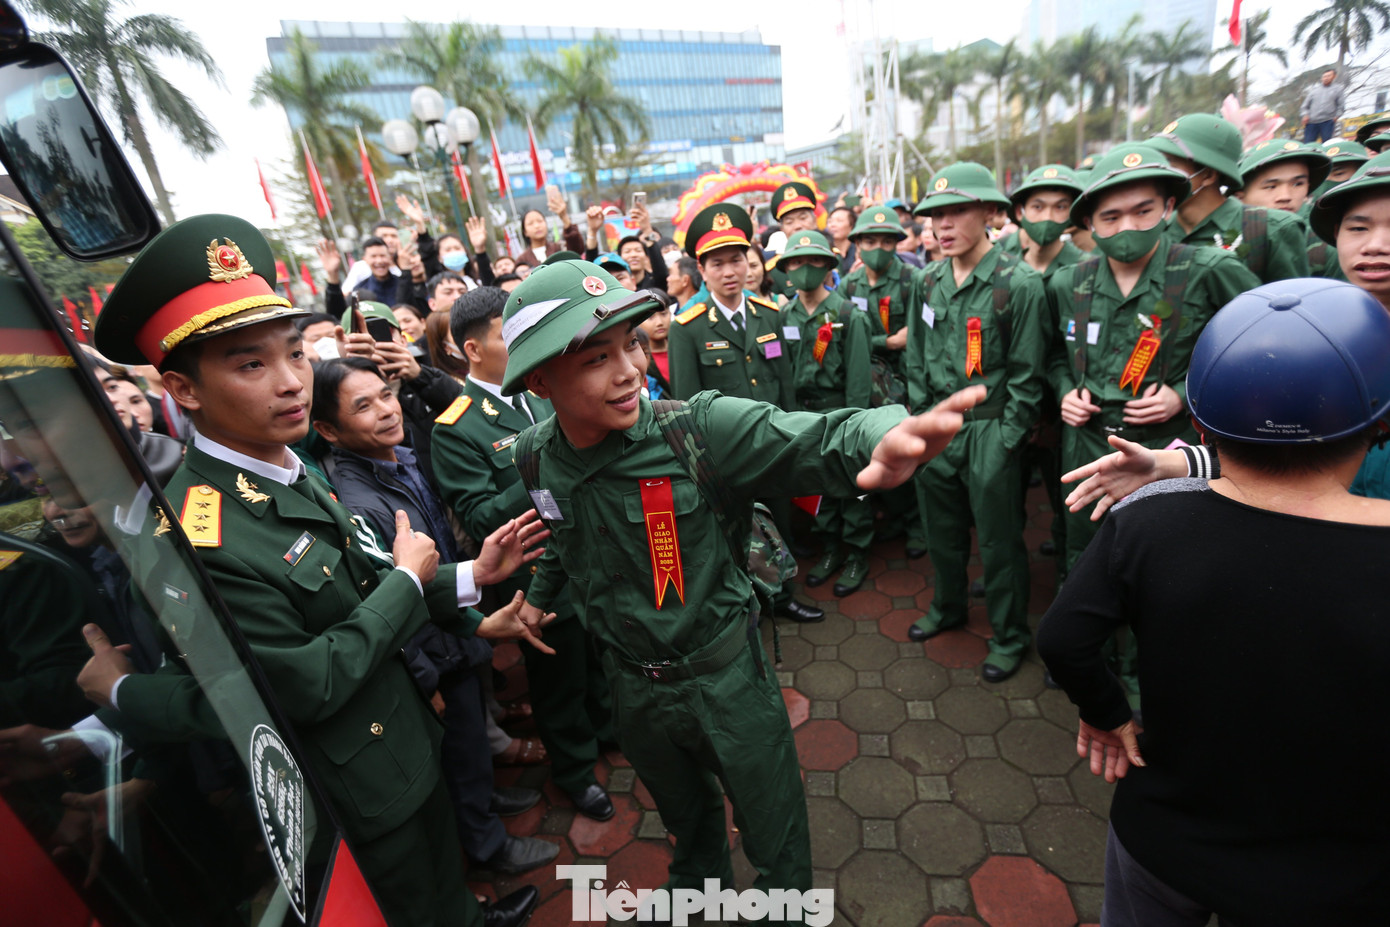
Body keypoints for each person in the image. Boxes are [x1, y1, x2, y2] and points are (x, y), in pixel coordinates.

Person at [90, 214, 547, 927]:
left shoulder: (288, 464)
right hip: (356, 780)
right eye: (250, 364)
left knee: (445, 892)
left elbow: (365, 576)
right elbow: (301, 683)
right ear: (181, 388)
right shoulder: (197, 529)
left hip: (405, 740)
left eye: (295, 353)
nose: (290, 382)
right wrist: (404, 581)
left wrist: (468, 579)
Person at [497, 255, 989, 904]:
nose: (630, 371)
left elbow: (813, 436)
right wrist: (534, 600)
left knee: (773, 827)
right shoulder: (534, 456)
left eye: (634, 343)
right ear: (539, 381)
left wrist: (883, 434)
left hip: (727, 681)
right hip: (633, 689)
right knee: (685, 818)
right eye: (596, 359)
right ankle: (697, 889)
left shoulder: (693, 430)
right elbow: (564, 533)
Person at [1037, 278, 1390, 926]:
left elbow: (1062, 638)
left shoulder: (1146, 522)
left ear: (1199, 419)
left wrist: (1108, 713)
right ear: (1381, 419)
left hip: (1164, 836)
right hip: (1336, 877)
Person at [310, 356, 557, 875]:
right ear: (328, 430)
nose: (385, 410)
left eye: (384, 394)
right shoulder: (361, 502)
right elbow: (394, 597)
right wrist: (426, 680)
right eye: (363, 406)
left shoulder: (398, 461)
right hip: (433, 653)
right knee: (461, 759)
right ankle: (489, 851)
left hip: (452, 633)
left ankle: (485, 811)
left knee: (472, 755)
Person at [432, 286, 618, 823]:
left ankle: (608, 733)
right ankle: (576, 772)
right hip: (535, 574)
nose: (522, 341)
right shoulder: (458, 427)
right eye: (504, 333)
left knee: (599, 658)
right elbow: (485, 516)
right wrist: (543, 462)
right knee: (558, 681)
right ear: (472, 350)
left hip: (591, 553)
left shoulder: (542, 393)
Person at [904, 162, 1048, 683]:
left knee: (999, 541)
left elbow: (1029, 374)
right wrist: (922, 421)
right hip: (937, 427)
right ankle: (948, 607)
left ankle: (1010, 635)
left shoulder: (1019, 284)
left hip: (991, 428)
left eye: (956, 212)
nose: (943, 226)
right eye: (935, 216)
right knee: (940, 531)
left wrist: (1008, 438)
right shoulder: (926, 280)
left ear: (989, 212)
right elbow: (915, 357)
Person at [777, 231, 875, 594]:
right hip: (801, 415)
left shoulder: (847, 314)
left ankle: (857, 556)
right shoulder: (783, 314)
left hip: (842, 412)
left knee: (851, 488)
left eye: (815, 261)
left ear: (829, 266)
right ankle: (831, 549)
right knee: (817, 487)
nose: (805, 269)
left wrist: (856, 424)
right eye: (797, 261)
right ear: (786, 268)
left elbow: (860, 378)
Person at [1147, 114, 1310, 283]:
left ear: (1208, 175)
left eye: (1169, 165)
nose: (1157, 175)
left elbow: (1289, 304)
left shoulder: (1273, 230)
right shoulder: (1154, 230)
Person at [1236, 140, 1338, 278]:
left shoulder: (1326, 249)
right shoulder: (1219, 242)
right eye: (1271, 186)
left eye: (1297, 184)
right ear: (1239, 196)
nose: (1285, 197)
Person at [514, 189, 586, 268]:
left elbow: (577, 249)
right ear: (525, 232)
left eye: (540, 221)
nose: (537, 226)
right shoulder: (522, 260)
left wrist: (564, 216)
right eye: (531, 223)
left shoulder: (560, 248)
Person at [1300, 67, 1345, 143]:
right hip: (1311, 122)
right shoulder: (1314, 90)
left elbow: (1341, 106)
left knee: (1327, 144)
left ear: (1334, 76)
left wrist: (1335, 117)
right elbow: (1304, 106)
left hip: (1327, 122)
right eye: (1324, 76)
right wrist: (1305, 115)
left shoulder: (1338, 89)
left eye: (1328, 76)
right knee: (1308, 145)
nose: (1326, 78)